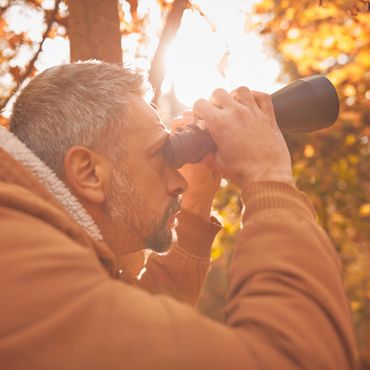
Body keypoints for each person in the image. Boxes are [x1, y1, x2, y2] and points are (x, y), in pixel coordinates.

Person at [0, 61, 357, 369]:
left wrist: (198, 198)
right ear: (89, 173)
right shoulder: (15, 266)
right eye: (161, 152)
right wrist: (268, 175)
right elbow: (295, 359)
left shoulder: (32, 256)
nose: (178, 182)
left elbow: (142, 337)